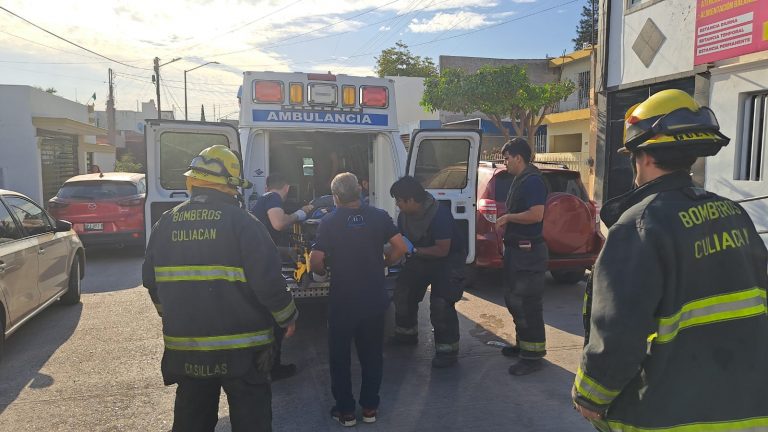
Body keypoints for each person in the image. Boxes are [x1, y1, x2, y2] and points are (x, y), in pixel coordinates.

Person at [572, 89, 768, 431]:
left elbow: (619, 331)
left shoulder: (639, 225)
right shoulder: (734, 214)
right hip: (748, 408)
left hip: (668, 414)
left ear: (645, 157)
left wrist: (590, 396)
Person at [143, 145, 298, 432]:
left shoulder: (165, 224)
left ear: (192, 182)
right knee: (252, 422)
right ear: (231, 187)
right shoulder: (244, 223)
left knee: (192, 421)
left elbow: (152, 283)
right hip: (244, 353)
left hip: (188, 351)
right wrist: (287, 317)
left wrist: (173, 315)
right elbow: (268, 281)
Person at [309, 172, 407, 427]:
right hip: (374, 299)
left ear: (335, 197)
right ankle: (370, 408)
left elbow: (316, 260)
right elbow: (401, 248)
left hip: (343, 302)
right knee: (372, 356)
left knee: (340, 358)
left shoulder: (329, 222)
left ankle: (346, 412)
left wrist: (322, 273)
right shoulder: (379, 216)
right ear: (360, 192)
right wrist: (384, 263)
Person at [388, 176, 466, 368]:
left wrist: (414, 251)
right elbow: (401, 242)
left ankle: (447, 352)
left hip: (448, 260)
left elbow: (442, 250)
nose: (397, 204)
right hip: (421, 257)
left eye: (399, 200)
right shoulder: (404, 216)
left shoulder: (439, 215)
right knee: (403, 291)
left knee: (441, 304)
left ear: (411, 200)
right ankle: (406, 334)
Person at [494, 138, 549, 376]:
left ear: (518, 158)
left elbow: (536, 215)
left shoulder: (533, 181)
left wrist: (508, 218)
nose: (505, 163)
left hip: (529, 254)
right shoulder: (521, 179)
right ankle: (523, 345)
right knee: (515, 300)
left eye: (507, 159)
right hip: (518, 251)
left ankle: (532, 356)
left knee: (527, 304)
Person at [250, 173, 312, 381]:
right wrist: (299, 214)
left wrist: (286, 251)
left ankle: (265, 366)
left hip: (258, 260)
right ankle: (273, 369)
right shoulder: (273, 198)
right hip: (263, 266)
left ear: (266, 185)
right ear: (286, 187)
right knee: (274, 318)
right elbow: (278, 223)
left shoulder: (262, 201)